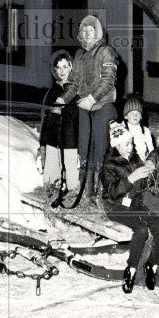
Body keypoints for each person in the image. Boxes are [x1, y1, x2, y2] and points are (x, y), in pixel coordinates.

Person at [56, 15, 120, 208]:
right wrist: (62, 99)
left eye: (90, 30)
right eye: (84, 30)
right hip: (84, 108)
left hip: (101, 107)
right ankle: (86, 192)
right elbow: (74, 82)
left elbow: (109, 80)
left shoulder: (106, 52)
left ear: (97, 32)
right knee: (84, 150)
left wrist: (92, 99)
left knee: (100, 150)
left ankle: (101, 195)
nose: (86, 33)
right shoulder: (79, 56)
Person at [99, 122, 159, 294]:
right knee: (142, 230)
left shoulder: (135, 158)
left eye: (131, 143)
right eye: (127, 144)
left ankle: (152, 266)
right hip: (115, 207)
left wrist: (149, 172)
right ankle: (130, 270)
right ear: (117, 145)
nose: (131, 147)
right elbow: (112, 192)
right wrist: (131, 178)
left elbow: (143, 185)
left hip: (136, 205)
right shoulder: (109, 165)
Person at [36, 50, 80, 202]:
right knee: (52, 164)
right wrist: (42, 142)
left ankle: (72, 191)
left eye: (65, 67)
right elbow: (45, 118)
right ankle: (49, 188)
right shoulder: (52, 92)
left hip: (70, 136)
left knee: (70, 164)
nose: (62, 71)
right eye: (58, 68)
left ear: (71, 67)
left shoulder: (76, 91)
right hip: (53, 137)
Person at [123, 94, 154, 160]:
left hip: (143, 159)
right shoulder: (122, 129)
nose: (135, 115)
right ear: (126, 116)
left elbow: (151, 149)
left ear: (141, 117)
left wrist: (151, 159)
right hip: (128, 160)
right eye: (131, 113)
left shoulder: (145, 131)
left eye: (138, 113)